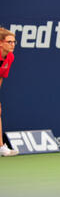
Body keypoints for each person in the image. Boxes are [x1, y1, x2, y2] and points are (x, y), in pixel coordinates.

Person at [0, 27, 19, 157]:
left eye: (14, 42)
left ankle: (1, 147)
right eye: (9, 42)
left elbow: (0, 77)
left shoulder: (10, 57)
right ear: (1, 43)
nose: (12, 45)